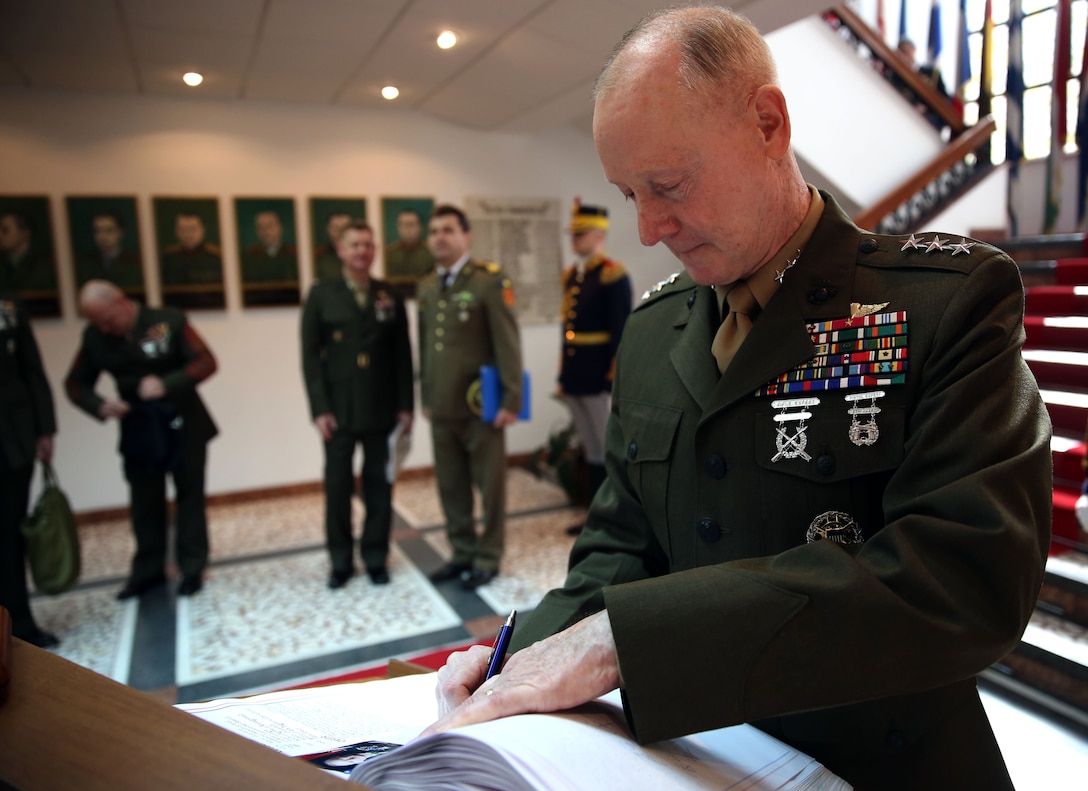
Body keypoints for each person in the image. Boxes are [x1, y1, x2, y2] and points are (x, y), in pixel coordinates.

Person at [425, 9, 1051, 790]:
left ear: (767, 124)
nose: (648, 228)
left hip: (884, 762)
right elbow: (621, 543)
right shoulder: (654, 331)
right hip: (702, 760)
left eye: (668, 185)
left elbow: (962, 579)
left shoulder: (940, 304)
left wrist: (626, 642)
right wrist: (516, 655)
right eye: (629, 194)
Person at [65, 280, 219, 599]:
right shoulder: (95, 337)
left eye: (108, 320)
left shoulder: (167, 321)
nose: (105, 328)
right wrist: (99, 405)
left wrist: (167, 383)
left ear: (121, 302)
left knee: (190, 497)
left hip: (183, 422)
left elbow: (205, 362)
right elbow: (75, 383)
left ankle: (192, 568)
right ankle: (148, 571)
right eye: (97, 323)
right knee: (145, 503)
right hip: (140, 427)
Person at [300, 221, 413, 588]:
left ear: (374, 249)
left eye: (367, 244)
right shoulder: (321, 294)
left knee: (379, 486)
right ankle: (340, 561)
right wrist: (319, 408)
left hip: (382, 407)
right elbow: (310, 357)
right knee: (337, 489)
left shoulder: (388, 294)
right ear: (340, 250)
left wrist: (406, 406)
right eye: (355, 245)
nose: (362, 251)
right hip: (338, 411)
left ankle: (376, 557)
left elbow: (402, 354)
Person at [419, 204, 522, 591]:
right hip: (441, 404)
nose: (439, 238)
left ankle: (488, 556)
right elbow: (425, 346)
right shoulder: (426, 286)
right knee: (451, 485)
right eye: (434, 231)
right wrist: (426, 394)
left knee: (489, 486)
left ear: (466, 236)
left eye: (448, 230)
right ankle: (461, 551)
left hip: (482, 405)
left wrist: (511, 399)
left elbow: (507, 343)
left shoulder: (487, 281)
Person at [557, 198, 632, 535]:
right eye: (573, 233)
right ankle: (592, 516)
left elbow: (620, 329)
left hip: (599, 373)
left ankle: (611, 519)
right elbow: (566, 330)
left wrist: (612, 376)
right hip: (576, 374)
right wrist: (563, 373)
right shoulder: (573, 276)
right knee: (590, 448)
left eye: (581, 233)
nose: (574, 239)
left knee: (605, 449)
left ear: (599, 235)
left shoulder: (612, 274)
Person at [0, 291, 59, 648]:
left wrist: (44, 428)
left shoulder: (7, 306)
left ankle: (17, 624)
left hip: (13, 439)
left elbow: (31, 369)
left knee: (10, 535)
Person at [74, 211, 145, 295]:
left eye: (109, 230)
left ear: (120, 232)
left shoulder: (135, 262)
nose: (103, 236)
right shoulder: (84, 264)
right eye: (98, 231)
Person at [0, 210, 56, 293]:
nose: (0, 235)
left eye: (5, 230)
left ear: (25, 233)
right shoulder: (3, 265)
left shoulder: (43, 267)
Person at [160, 211, 222, 286]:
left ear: (202, 229)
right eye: (183, 229)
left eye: (192, 229)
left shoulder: (218, 257)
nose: (188, 234)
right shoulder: (168, 259)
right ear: (176, 231)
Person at [241, 209, 298, 284]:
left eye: (269, 226)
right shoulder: (247, 257)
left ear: (280, 227)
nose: (265, 231)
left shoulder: (295, 254)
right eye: (260, 227)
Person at [384, 208, 435, 281]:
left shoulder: (432, 252)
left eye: (411, 224)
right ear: (398, 228)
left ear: (421, 227)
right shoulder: (388, 254)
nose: (408, 229)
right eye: (404, 225)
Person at [314, 211, 354, 282]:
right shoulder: (319, 257)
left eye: (345, 228)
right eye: (336, 228)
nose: (341, 232)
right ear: (328, 229)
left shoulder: (362, 254)